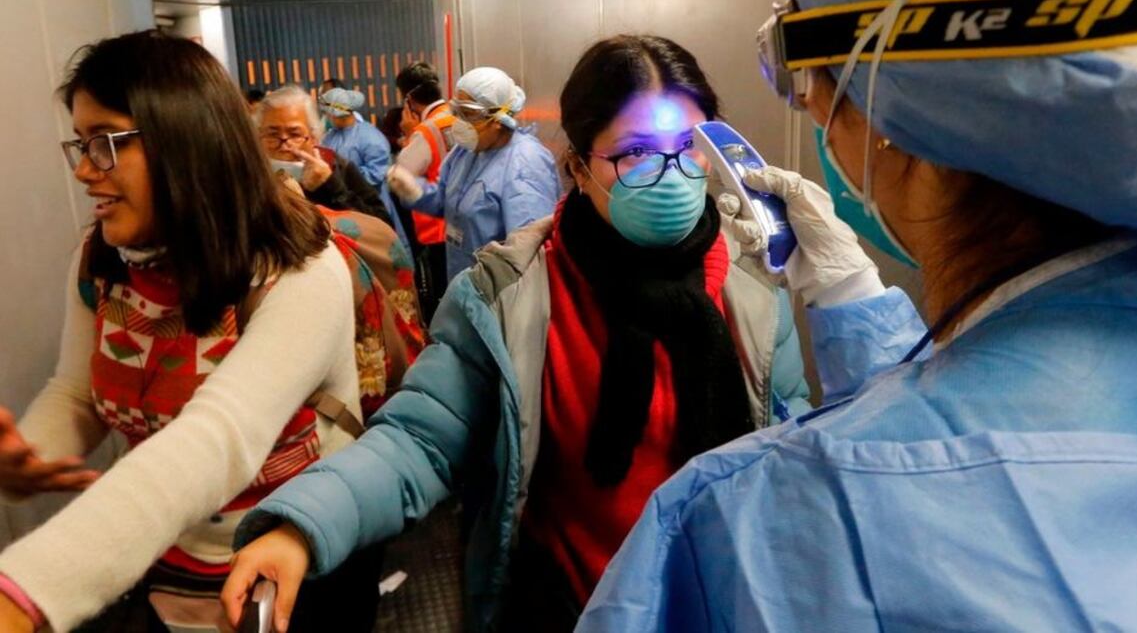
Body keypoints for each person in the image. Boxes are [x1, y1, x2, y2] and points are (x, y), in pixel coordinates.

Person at [579, 0, 1137, 630]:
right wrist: (852, 298)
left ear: (898, 118)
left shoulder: (741, 522)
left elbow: (906, 464)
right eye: (635, 155)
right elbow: (959, 439)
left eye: (805, 74)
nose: (811, 106)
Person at [222, 34, 814, 632]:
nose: (672, 174)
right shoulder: (508, 295)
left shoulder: (751, 285)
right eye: (635, 152)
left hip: (716, 603)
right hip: (567, 605)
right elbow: (419, 439)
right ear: (578, 167)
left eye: (690, 146)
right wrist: (301, 524)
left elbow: (791, 442)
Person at [0, 31, 388, 633]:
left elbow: (216, 440)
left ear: (184, 142)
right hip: (173, 562)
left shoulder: (299, 270)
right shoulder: (99, 260)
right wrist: (32, 454)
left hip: (291, 563)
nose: (83, 170)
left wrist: (24, 594)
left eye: (104, 142)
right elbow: (78, 392)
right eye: (79, 143)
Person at [387, 67, 562, 282]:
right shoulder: (466, 152)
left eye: (468, 114)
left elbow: (528, 256)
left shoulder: (524, 166)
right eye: (457, 111)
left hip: (501, 296)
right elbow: (448, 203)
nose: (459, 122)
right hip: (465, 283)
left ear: (498, 120)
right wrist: (416, 192)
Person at [254, 84, 393, 226]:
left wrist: (330, 186)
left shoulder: (334, 165)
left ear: (314, 137)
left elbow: (383, 224)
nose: (284, 144)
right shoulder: (249, 174)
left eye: (294, 134)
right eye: (272, 134)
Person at [395, 77, 455, 321]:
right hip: (461, 226)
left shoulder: (425, 130)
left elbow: (400, 174)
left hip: (435, 229)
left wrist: (409, 134)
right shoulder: (456, 116)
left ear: (409, 101)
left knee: (440, 297)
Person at [320, 87, 400, 225]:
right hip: (341, 205)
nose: (326, 117)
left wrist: (342, 178)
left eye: (327, 113)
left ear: (337, 114)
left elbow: (375, 175)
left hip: (368, 207)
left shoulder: (371, 137)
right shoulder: (329, 137)